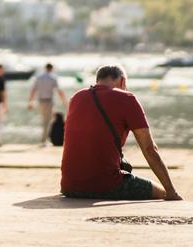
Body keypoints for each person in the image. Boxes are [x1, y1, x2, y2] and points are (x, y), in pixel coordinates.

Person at [60, 64, 181, 201]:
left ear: (98, 80)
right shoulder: (127, 98)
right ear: (123, 81)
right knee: (161, 192)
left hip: (69, 187)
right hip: (106, 185)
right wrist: (171, 191)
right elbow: (149, 148)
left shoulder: (76, 97)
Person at [28, 63, 67, 146]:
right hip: (49, 101)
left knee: (44, 120)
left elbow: (33, 90)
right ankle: (44, 140)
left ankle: (45, 139)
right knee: (47, 121)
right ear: (52, 69)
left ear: (45, 68)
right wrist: (64, 102)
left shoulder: (39, 77)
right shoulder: (53, 77)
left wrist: (30, 101)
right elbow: (59, 91)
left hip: (40, 101)